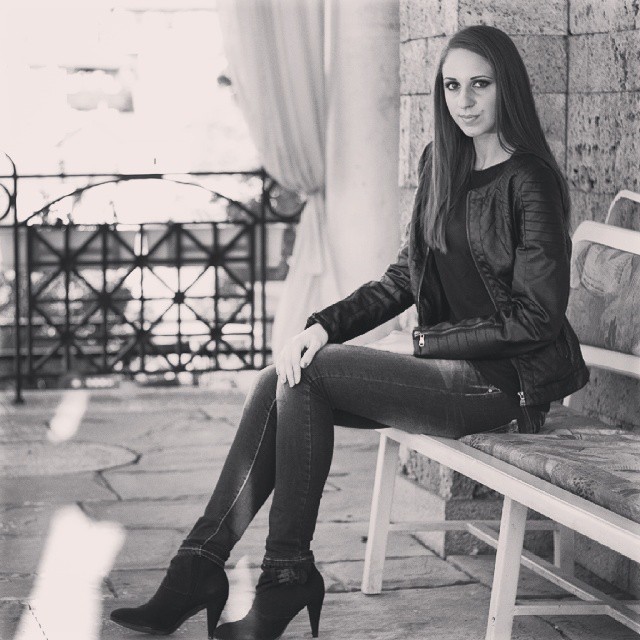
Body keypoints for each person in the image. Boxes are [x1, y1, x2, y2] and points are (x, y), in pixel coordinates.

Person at [110, 24, 589, 640]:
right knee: (284, 375)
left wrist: (421, 343)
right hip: (447, 374)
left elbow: (535, 317)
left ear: (507, 88)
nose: (465, 101)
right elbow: (404, 278)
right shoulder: (441, 163)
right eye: (451, 86)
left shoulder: (530, 179)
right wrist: (321, 326)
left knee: (306, 377)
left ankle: (279, 575)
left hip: (503, 386)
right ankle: (200, 565)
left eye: (480, 85)